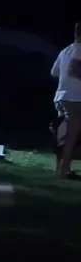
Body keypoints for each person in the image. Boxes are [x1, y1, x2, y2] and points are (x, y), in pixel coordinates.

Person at [54, 22, 81, 179]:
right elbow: (75, 70)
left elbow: (55, 71)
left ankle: (59, 167)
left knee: (62, 134)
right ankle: (64, 170)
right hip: (75, 98)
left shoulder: (65, 51)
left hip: (61, 96)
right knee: (71, 135)